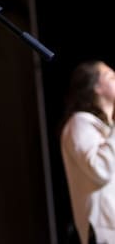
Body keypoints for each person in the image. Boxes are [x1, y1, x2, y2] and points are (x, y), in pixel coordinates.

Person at [60, 60, 115, 244]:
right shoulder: (79, 123)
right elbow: (100, 170)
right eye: (111, 77)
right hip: (105, 232)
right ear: (96, 87)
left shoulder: (108, 128)